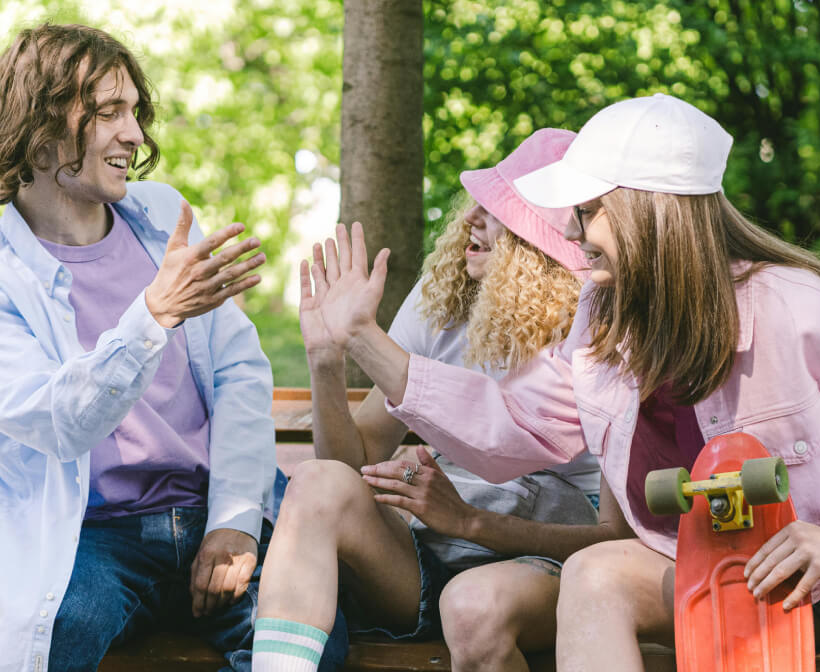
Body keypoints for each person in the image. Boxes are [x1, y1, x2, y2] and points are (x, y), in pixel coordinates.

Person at [303, 94, 820, 672]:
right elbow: (515, 426)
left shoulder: (801, 310)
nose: (573, 238)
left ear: (647, 211)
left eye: (586, 213)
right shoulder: (603, 327)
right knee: (595, 576)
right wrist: (362, 338)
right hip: (742, 575)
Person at [0, 23, 344, 672]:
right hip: (90, 539)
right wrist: (153, 315)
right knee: (52, 640)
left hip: (209, 509)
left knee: (308, 647)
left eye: (133, 112)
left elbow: (239, 370)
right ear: (38, 129)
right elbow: (57, 422)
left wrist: (235, 519)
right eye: (107, 113)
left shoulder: (163, 218)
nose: (134, 133)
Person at [253, 129, 629, 672]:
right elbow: (350, 461)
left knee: (474, 605)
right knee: (315, 480)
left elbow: (614, 536)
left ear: (541, 243)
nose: (472, 217)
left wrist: (467, 519)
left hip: (545, 561)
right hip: (425, 557)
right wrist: (327, 360)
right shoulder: (447, 303)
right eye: (478, 202)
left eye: (499, 210)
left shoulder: (598, 333)